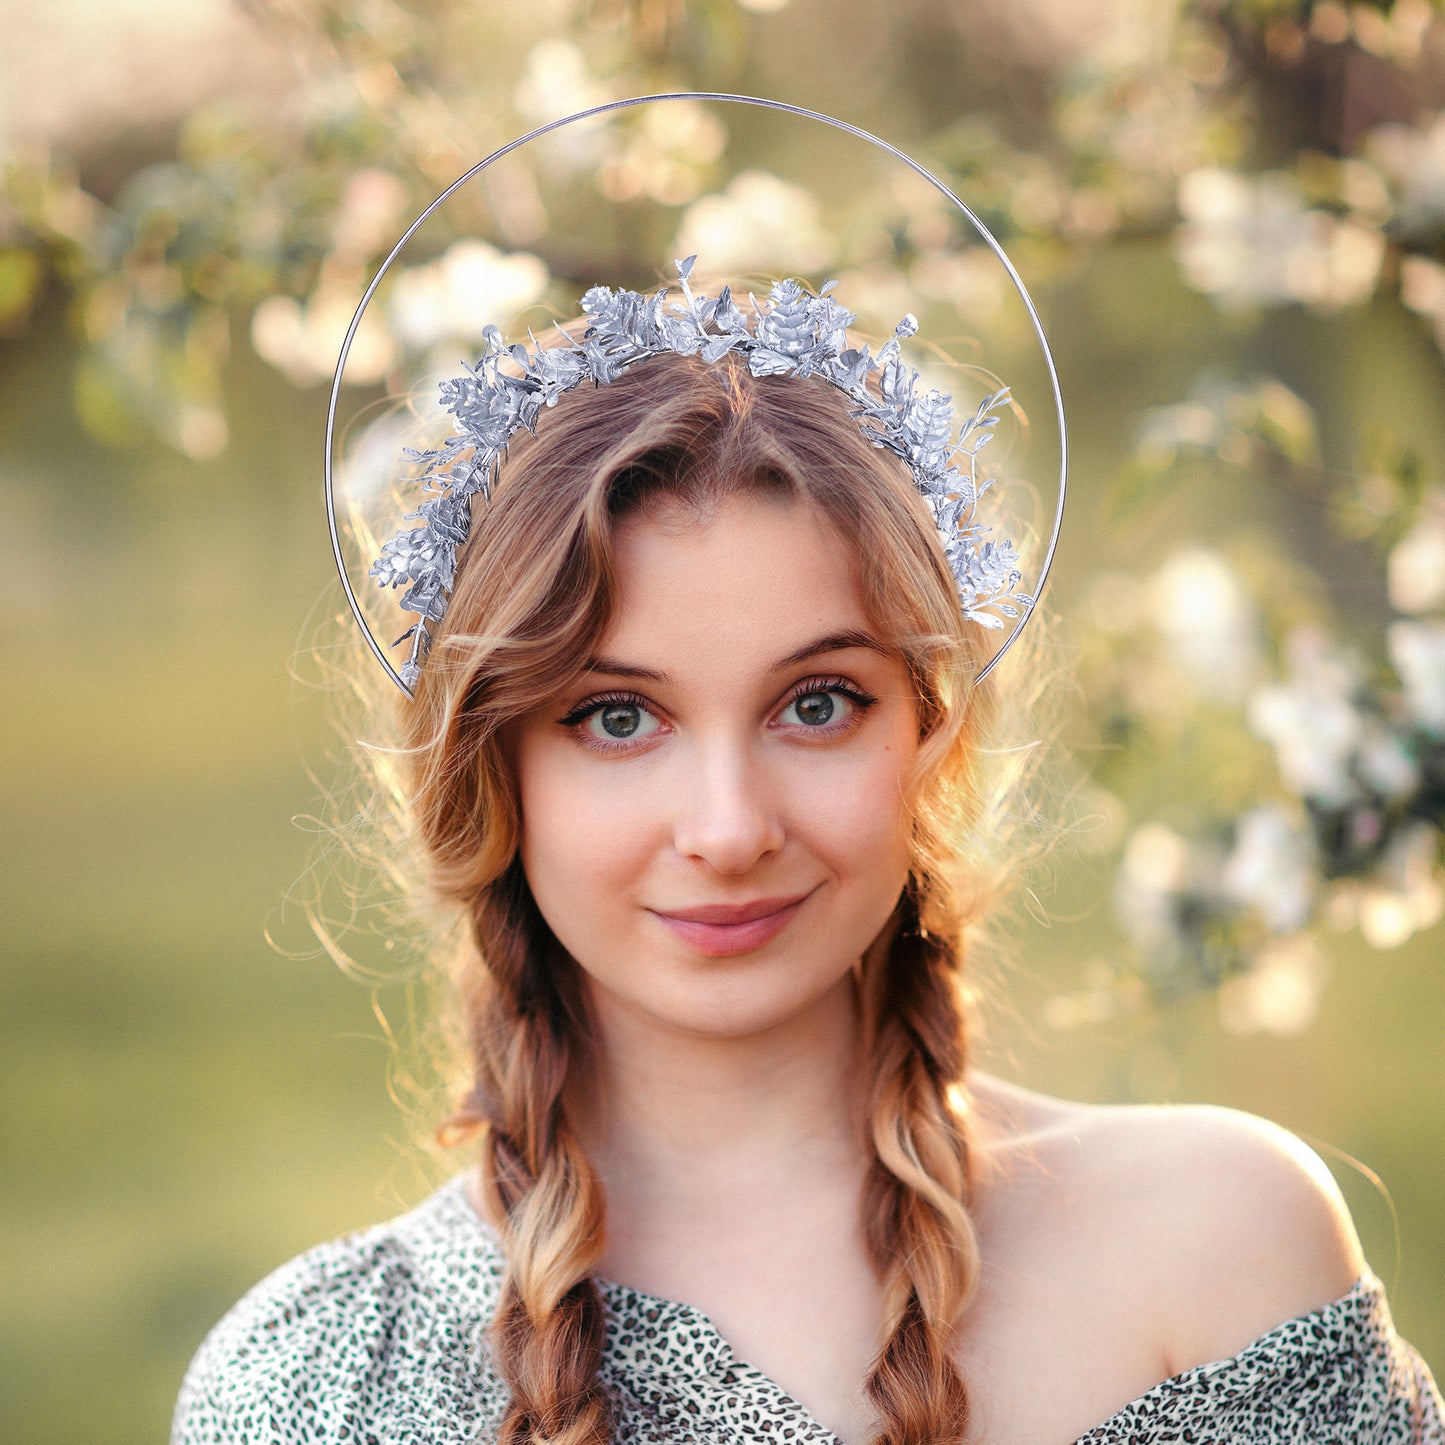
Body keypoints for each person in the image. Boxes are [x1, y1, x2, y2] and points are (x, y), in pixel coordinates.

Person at [172, 268, 1443, 1445]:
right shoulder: (319, 1386)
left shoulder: (1220, 1245)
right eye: (615, 717)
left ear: (930, 735)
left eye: (817, 702)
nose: (729, 829)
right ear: (490, 774)